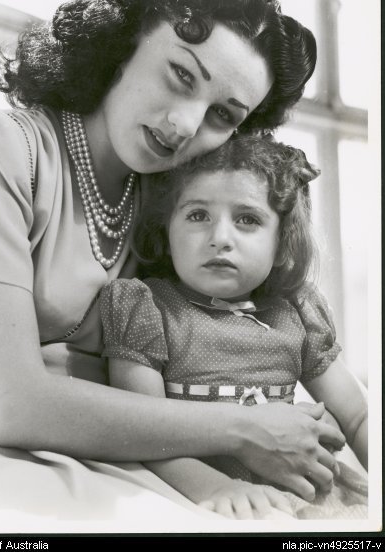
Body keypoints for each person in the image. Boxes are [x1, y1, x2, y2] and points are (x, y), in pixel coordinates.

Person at [0, 0, 344, 529]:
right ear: (123, 41)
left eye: (223, 114)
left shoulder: (172, 203)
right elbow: (12, 407)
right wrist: (247, 429)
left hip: (146, 450)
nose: (185, 124)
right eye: (181, 74)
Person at [100, 134, 368, 520]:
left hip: (306, 495)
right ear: (167, 232)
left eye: (247, 219)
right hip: (199, 492)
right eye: (198, 216)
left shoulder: (297, 313)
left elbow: (358, 417)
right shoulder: (147, 308)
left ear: (281, 244)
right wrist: (215, 488)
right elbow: (142, 432)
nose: (220, 238)